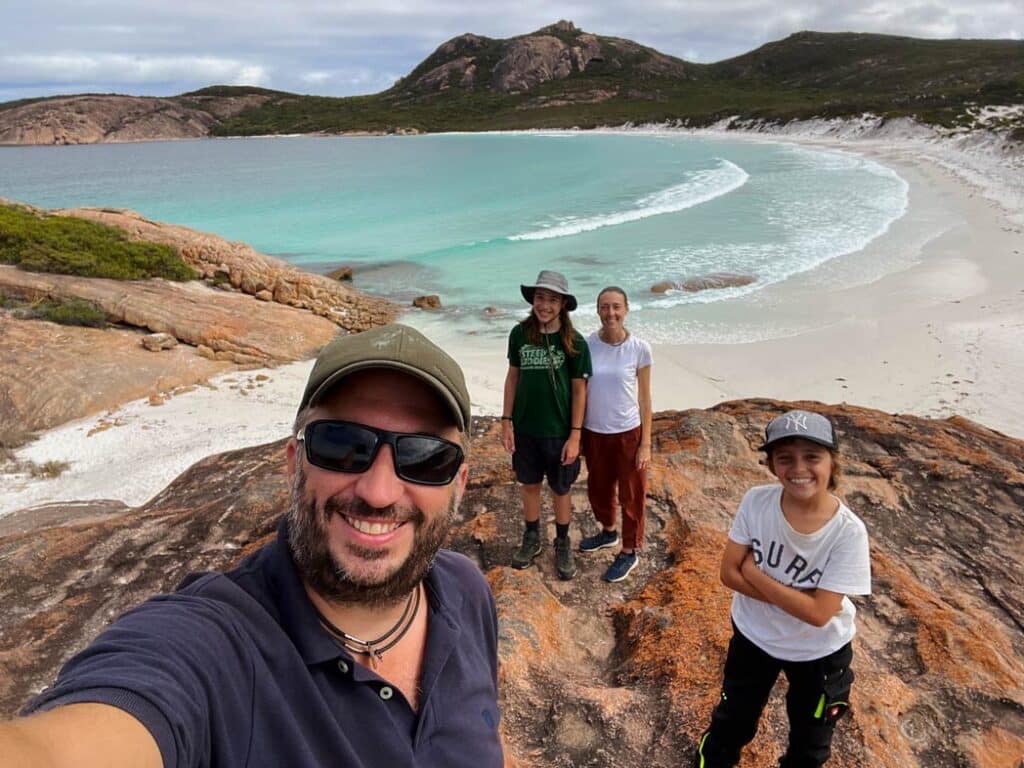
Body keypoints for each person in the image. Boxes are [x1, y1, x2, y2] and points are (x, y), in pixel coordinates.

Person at [2, 323, 504, 768]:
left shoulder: (464, 590)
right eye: (343, 445)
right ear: (294, 462)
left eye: (424, 458)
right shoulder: (215, 646)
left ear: (458, 483)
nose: (378, 492)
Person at [694, 409, 871, 768]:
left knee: (810, 745)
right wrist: (797, 598)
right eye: (785, 458)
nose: (799, 468)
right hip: (753, 637)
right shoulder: (757, 502)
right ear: (772, 464)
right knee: (731, 725)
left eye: (812, 457)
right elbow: (728, 574)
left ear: (832, 463)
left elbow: (820, 615)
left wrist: (756, 576)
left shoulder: (848, 533)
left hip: (819, 653)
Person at [501, 269, 592, 581]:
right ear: (533, 300)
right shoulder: (519, 334)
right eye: (541, 298)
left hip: (559, 431)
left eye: (553, 300)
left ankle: (563, 542)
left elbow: (580, 390)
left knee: (561, 488)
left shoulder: (575, 342)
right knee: (528, 485)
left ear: (563, 304)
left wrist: (575, 435)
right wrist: (506, 421)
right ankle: (531, 537)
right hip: (526, 429)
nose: (545, 305)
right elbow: (513, 377)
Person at [579, 286, 653, 582]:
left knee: (632, 494)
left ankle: (629, 550)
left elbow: (645, 398)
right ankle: (608, 532)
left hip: (628, 432)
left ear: (626, 309)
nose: (611, 313)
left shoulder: (639, 348)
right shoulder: (586, 345)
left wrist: (645, 443)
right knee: (598, 489)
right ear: (598, 310)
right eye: (605, 307)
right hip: (594, 431)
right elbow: (580, 392)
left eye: (616, 307)